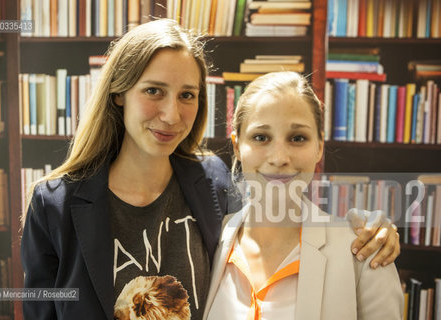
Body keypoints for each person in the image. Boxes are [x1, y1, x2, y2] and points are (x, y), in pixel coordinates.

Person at [21, 20, 400, 320]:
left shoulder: (213, 180)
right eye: (154, 90)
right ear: (119, 92)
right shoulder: (54, 204)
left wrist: (371, 225)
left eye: (187, 94)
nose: (171, 115)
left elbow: (278, 212)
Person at [203, 71, 404, 320]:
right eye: (261, 137)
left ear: (319, 147)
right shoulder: (208, 241)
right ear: (237, 147)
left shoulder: (365, 250)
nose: (279, 158)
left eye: (297, 138)